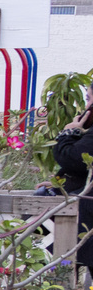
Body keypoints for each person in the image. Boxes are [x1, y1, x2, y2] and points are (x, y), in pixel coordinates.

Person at [53, 96, 93, 279]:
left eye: (88, 98)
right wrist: (61, 179)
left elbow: (75, 158)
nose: (86, 106)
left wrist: (67, 133)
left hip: (84, 211)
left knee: (63, 252)